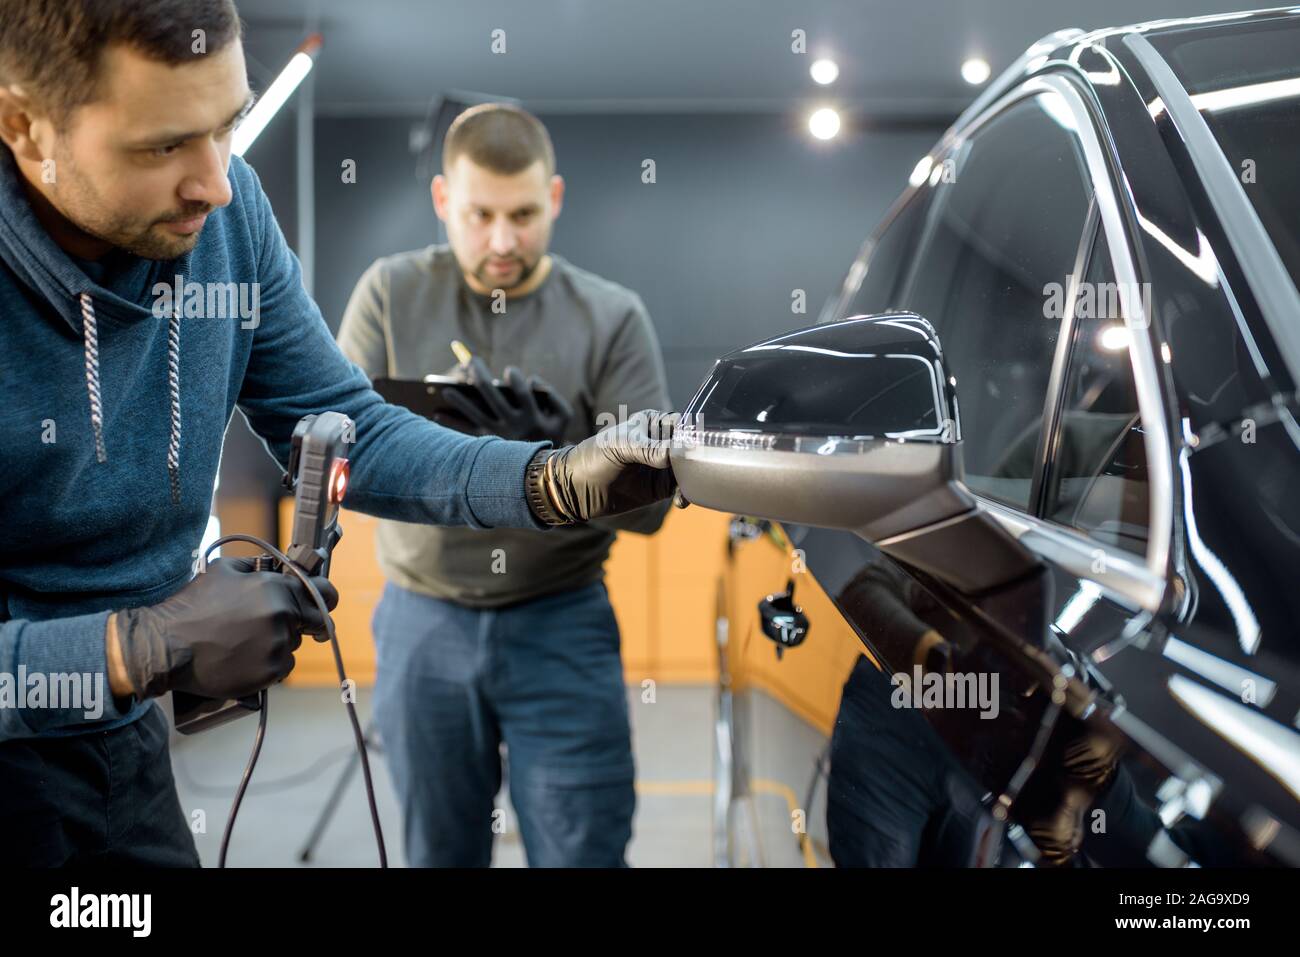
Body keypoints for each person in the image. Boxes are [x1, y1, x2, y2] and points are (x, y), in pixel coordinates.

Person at [0, 0, 676, 866]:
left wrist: (550, 478)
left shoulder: (226, 215)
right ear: (26, 126)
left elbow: (355, 427)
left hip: (129, 748)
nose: (216, 179)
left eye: (229, 125)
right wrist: (133, 646)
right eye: (164, 145)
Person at [337, 103, 672, 867]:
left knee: (583, 850)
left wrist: (562, 451)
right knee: (439, 853)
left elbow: (652, 516)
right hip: (422, 623)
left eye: (522, 214)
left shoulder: (613, 317)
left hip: (562, 622)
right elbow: (343, 466)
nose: (501, 240)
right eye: (479, 214)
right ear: (441, 201)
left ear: (553, 198)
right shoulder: (388, 294)